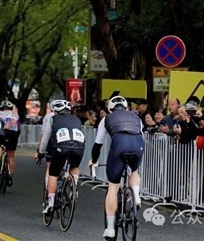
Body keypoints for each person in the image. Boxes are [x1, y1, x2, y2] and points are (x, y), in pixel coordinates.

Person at [88, 96, 144, 239]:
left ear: (110, 109)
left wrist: (94, 160)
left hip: (119, 145)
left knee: (113, 186)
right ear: (126, 107)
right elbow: (141, 134)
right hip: (137, 145)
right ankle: (136, 195)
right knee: (134, 171)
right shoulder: (136, 117)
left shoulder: (106, 119)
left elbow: (98, 144)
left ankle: (110, 228)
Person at [38, 99, 85, 214]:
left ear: (55, 111)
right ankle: (73, 186)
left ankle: (50, 203)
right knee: (74, 167)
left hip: (61, 147)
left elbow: (45, 139)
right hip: (78, 147)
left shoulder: (53, 119)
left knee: (53, 173)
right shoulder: (77, 119)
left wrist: (41, 152)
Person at [0, 99, 21, 187]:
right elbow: (19, 128)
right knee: (11, 156)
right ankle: (10, 175)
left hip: (2, 133)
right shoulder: (16, 115)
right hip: (13, 134)